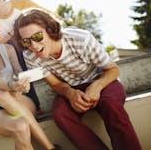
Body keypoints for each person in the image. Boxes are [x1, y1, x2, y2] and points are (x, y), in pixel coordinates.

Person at [13, 9, 142, 150]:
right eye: (26, 41)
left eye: (38, 36)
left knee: (110, 104)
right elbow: (55, 84)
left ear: (49, 29)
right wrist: (70, 93)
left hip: (102, 80)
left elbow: (113, 70)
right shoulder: (29, 55)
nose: (34, 46)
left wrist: (96, 87)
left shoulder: (81, 39)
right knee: (61, 114)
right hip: (71, 88)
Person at [0, 8, 58, 150]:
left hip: (20, 100)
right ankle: (50, 147)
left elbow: (19, 73)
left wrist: (22, 84)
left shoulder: (8, 49)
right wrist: (13, 86)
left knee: (3, 95)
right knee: (20, 125)